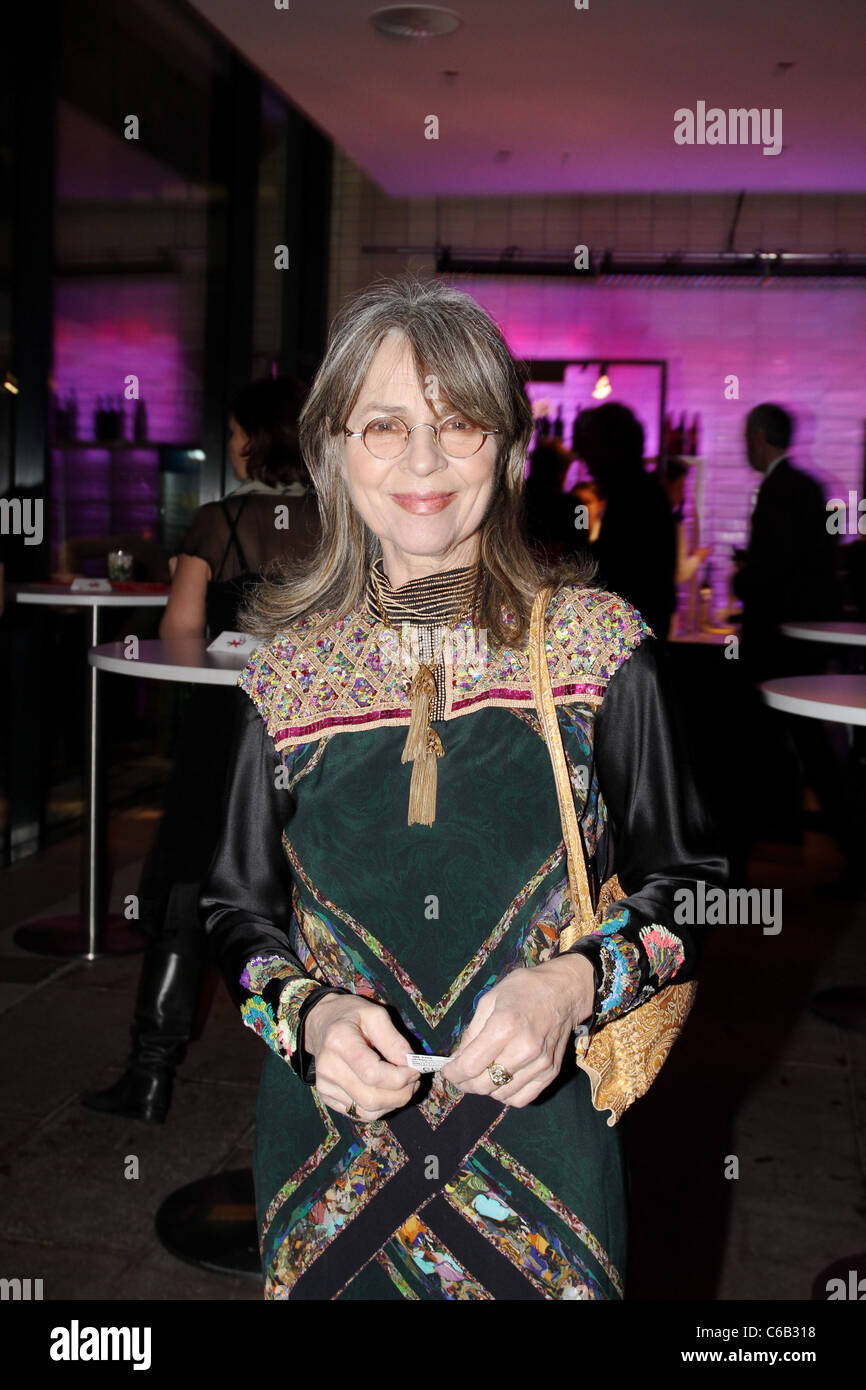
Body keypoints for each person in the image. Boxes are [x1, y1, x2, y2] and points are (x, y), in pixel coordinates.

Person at [200, 279, 726, 1301]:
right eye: (385, 425)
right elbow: (234, 912)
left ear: (507, 444)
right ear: (333, 450)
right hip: (327, 1159)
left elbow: (693, 888)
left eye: (458, 423)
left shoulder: (598, 650)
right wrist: (304, 1017)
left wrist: (575, 985)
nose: (424, 461)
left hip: (546, 1161)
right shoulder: (281, 676)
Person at [82, 376, 320, 1124]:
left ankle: (151, 1072)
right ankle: (325, 1082)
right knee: (314, 890)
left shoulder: (218, 522)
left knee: (190, 884)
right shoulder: (351, 523)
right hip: (315, 733)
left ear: (258, 438)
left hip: (227, 732)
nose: (229, 443)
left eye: (234, 430)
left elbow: (180, 629)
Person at [574, 402, 678, 639]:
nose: (584, 457)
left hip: (631, 636)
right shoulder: (642, 492)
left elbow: (619, 571)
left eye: (591, 445)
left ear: (613, 447)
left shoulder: (634, 498)